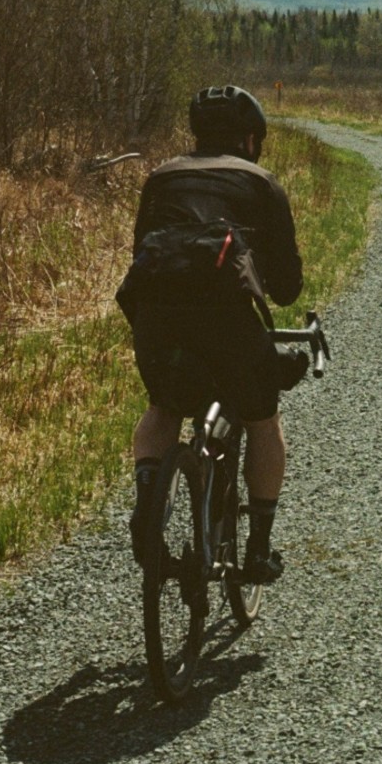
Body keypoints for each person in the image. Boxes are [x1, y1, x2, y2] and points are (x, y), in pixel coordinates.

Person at [118, 85, 303, 584]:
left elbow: (140, 251)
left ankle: (148, 497)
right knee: (263, 419)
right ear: (250, 138)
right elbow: (287, 288)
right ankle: (259, 549)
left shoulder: (161, 178)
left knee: (163, 407)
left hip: (157, 315)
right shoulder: (261, 182)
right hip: (225, 321)